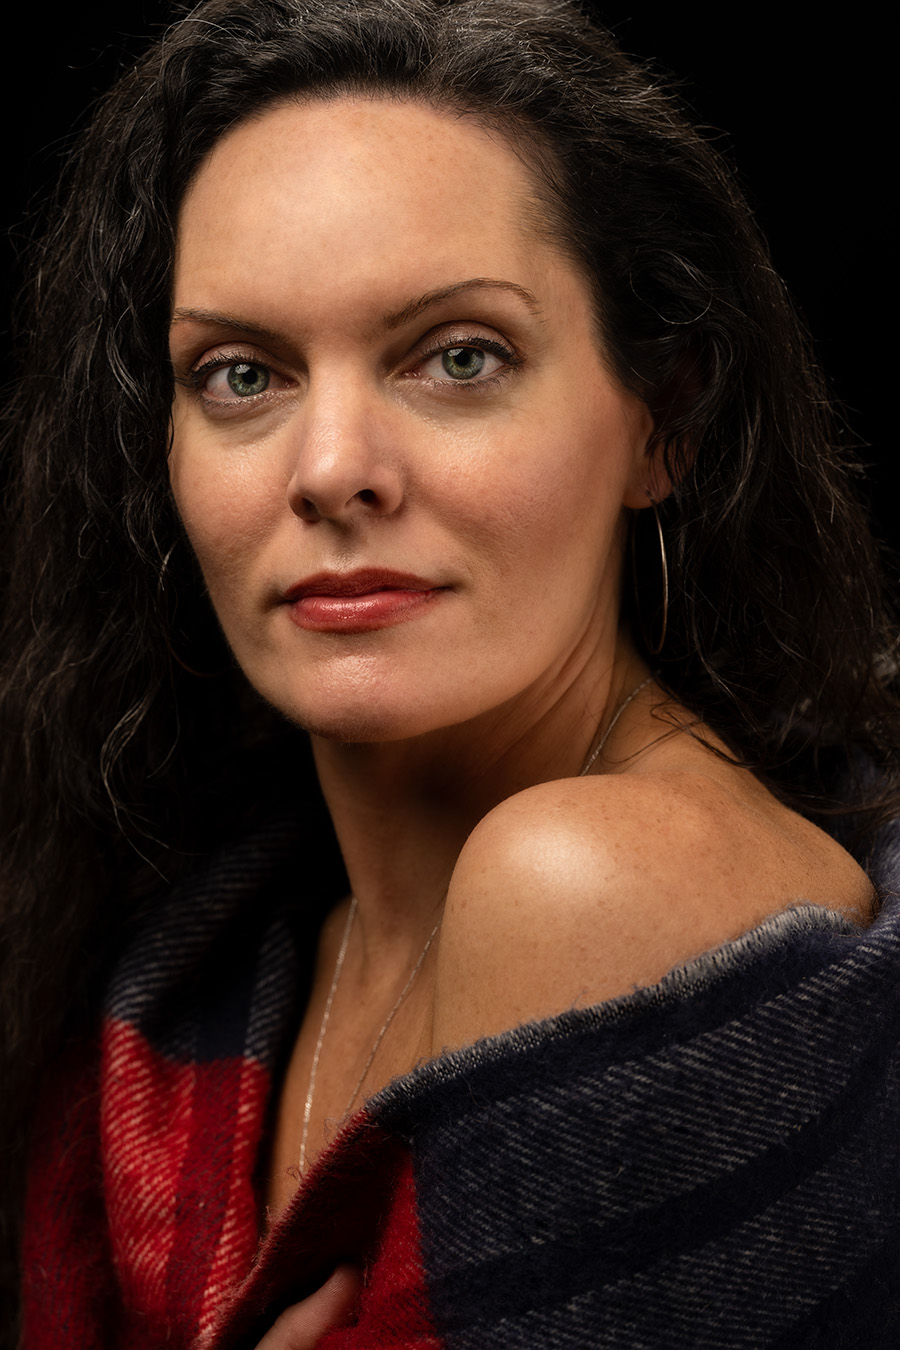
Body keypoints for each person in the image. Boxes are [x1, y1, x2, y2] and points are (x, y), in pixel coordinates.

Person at [2, 1, 898, 1346]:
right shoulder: (203, 947)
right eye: (241, 375)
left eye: (458, 358)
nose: (331, 470)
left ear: (666, 422)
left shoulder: (595, 877)